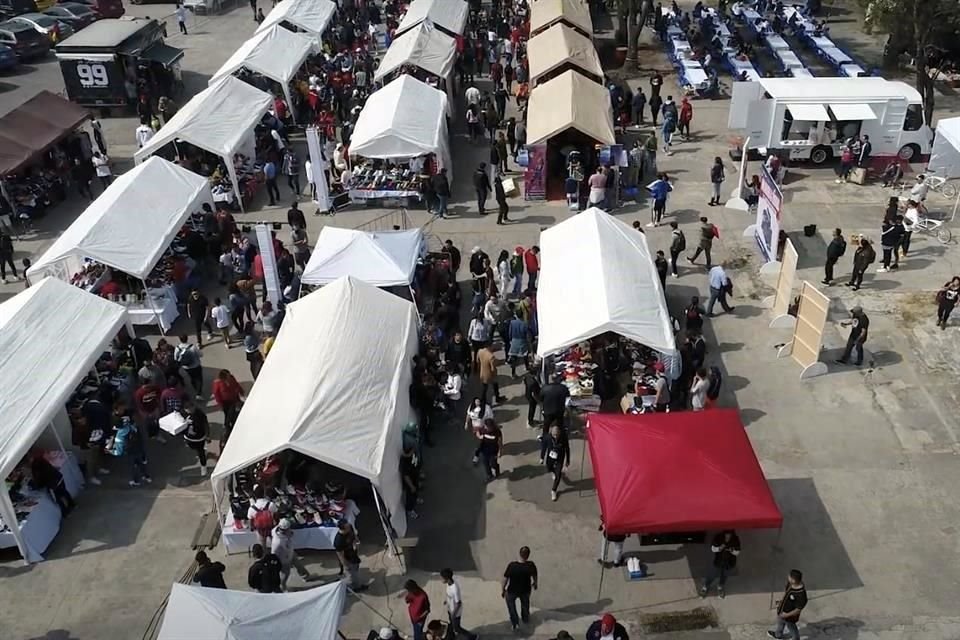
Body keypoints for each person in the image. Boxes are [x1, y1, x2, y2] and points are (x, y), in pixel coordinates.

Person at [272, 518, 316, 590]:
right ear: (285, 530)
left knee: (299, 565)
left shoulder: (276, 530)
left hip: (291, 553)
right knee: (285, 574)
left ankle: (305, 576)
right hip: (284, 560)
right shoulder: (277, 542)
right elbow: (274, 554)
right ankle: (282, 586)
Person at [502, 546, 538, 631]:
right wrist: (535, 583)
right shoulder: (530, 565)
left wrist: (503, 589)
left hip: (512, 591)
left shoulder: (512, 565)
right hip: (525, 591)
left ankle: (515, 623)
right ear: (528, 555)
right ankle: (525, 619)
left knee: (511, 608)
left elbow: (505, 579)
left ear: (519, 554)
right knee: (525, 606)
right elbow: (535, 575)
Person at [699, 530, 741, 598]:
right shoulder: (718, 537)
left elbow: (738, 552)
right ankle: (706, 586)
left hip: (729, 562)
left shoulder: (735, 539)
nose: (728, 536)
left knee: (724, 575)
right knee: (712, 574)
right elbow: (713, 549)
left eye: (729, 535)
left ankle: (720, 587)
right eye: (726, 535)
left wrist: (732, 551)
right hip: (719, 561)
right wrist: (719, 548)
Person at [767, 570, 807, 640]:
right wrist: (781, 603)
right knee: (780, 623)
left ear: (793, 580)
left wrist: (786, 615)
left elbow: (798, 610)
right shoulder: (790, 584)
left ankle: (796, 638)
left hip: (790, 616)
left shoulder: (801, 595)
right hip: (782, 611)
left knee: (791, 627)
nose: (788, 577)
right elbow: (787, 593)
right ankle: (778, 635)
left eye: (789, 577)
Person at [440, 568, 477, 640]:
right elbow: (450, 595)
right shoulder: (448, 583)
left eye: (442, 578)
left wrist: (453, 614)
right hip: (450, 610)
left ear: (447, 578)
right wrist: (446, 600)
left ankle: (472, 637)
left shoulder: (455, 588)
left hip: (456, 613)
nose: (441, 579)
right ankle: (452, 636)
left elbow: (458, 603)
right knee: (452, 624)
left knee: (457, 628)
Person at [212, 369, 244, 442]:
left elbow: (236, 384)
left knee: (234, 413)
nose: (229, 376)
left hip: (234, 399)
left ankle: (232, 424)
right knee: (228, 414)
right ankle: (228, 427)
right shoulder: (217, 383)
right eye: (228, 375)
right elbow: (217, 394)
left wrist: (241, 391)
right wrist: (220, 405)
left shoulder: (231, 378)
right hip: (226, 402)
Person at [334, 519, 367, 590]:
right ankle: (352, 587)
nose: (349, 527)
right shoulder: (338, 540)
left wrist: (357, 541)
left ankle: (357, 585)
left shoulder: (349, 528)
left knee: (355, 571)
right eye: (347, 527)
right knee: (351, 576)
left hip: (353, 555)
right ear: (343, 529)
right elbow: (340, 555)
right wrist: (346, 565)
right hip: (347, 558)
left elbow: (354, 535)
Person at [543, 424, 569, 501]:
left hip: (560, 458)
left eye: (557, 435)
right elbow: (544, 447)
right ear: (551, 433)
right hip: (550, 457)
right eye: (554, 435)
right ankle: (553, 471)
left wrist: (567, 460)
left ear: (559, 433)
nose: (556, 437)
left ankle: (553, 490)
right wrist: (542, 457)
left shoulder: (563, 438)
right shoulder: (548, 437)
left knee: (558, 475)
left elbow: (567, 449)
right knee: (549, 468)